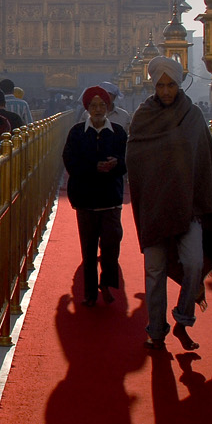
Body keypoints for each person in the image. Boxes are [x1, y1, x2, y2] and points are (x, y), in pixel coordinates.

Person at [126, 57, 212, 351]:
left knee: (194, 262)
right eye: (160, 85)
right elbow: (134, 159)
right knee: (155, 272)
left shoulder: (193, 116)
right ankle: (156, 332)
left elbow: (204, 160)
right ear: (153, 85)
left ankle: (183, 320)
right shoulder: (144, 116)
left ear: (179, 83)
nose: (166, 91)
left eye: (171, 84)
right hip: (156, 207)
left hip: (189, 207)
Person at [63, 86, 127, 306]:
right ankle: (89, 293)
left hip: (110, 198)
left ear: (108, 107)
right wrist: (94, 167)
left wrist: (116, 164)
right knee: (89, 249)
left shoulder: (118, 132)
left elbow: (128, 159)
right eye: (94, 105)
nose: (98, 109)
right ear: (87, 108)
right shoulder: (77, 132)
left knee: (111, 244)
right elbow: (70, 161)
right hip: (86, 199)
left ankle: (107, 283)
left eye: (102, 105)